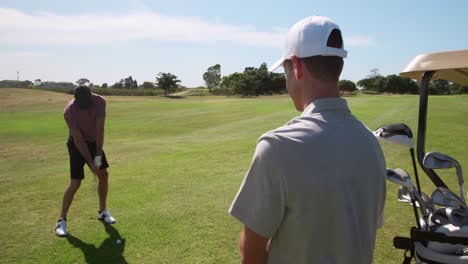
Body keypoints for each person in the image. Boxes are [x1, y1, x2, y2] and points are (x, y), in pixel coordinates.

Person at [229, 16, 386, 264]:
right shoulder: (371, 143)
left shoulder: (277, 146)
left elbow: (252, 252)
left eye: (285, 71)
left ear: (296, 66)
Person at [55, 85, 116, 237]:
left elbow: (100, 129)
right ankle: (61, 220)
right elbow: (78, 139)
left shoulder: (99, 102)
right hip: (77, 145)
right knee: (75, 182)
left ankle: (103, 212)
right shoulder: (69, 111)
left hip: (94, 142)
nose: (85, 107)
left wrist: (97, 156)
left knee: (103, 175)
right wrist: (90, 162)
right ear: (75, 100)